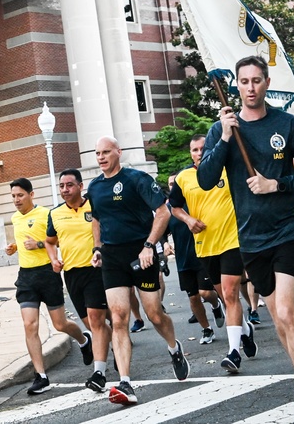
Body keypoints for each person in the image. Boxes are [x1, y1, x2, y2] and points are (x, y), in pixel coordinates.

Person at [197, 55, 294, 424]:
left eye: (257, 80)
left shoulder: (287, 124)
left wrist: (277, 183)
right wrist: (223, 137)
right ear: (236, 85)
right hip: (251, 238)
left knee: (287, 312)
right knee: (280, 319)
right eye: (244, 81)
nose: (250, 87)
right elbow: (206, 179)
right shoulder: (223, 128)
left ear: (267, 83)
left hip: (289, 230)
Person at [88, 136, 189, 406]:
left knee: (155, 314)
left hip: (140, 253)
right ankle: (125, 382)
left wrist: (149, 246)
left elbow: (163, 212)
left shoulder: (137, 179)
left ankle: (174, 348)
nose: (101, 157)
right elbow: (97, 219)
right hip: (112, 256)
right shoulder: (95, 187)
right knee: (118, 318)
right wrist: (97, 249)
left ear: (118, 152)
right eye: (97, 153)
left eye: (106, 152)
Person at [170, 135, 257, 374]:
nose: (199, 153)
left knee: (230, 294)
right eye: (194, 150)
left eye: (202, 148)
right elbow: (174, 206)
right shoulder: (184, 178)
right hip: (205, 246)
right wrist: (188, 220)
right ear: (191, 154)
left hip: (231, 241)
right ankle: (245, 330)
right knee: (224, 297)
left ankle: (233, 352)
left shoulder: (227, 171)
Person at [6, 177, 91, 395]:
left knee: (60, 324)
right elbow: (24, 239)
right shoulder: (15, 218)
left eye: (20, 195)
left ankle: (83, 339)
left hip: (47, 273)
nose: (16, 200)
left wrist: (39, 244)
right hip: (25, 277)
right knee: (30, 325)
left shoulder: (47, 214)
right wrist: (15, 247)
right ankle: (41, 376)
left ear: (31, 195)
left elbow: (59, 240)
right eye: (13, 196)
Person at [46, 169, 113, 392]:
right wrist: (54, 259)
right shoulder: (55, 214)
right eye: (62, 186)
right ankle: (117, 337)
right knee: (92, 323)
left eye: (70, 185)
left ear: (80, 186)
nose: (65, 190)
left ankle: (99, 372)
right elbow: (49, 241)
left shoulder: (94, 206)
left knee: (95, 319)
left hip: (96, 269)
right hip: (72, 274)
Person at [165, 173, 220, 345]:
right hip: (183, 259)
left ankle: (216, 305)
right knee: (193, 297)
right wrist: (165, 243)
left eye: (176, 183)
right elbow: (162, 230)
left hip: (202, 253)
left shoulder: (194, 199)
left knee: (205, 292)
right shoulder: (170, 209)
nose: (173, 186)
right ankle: (206, 329)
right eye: (170, 184)